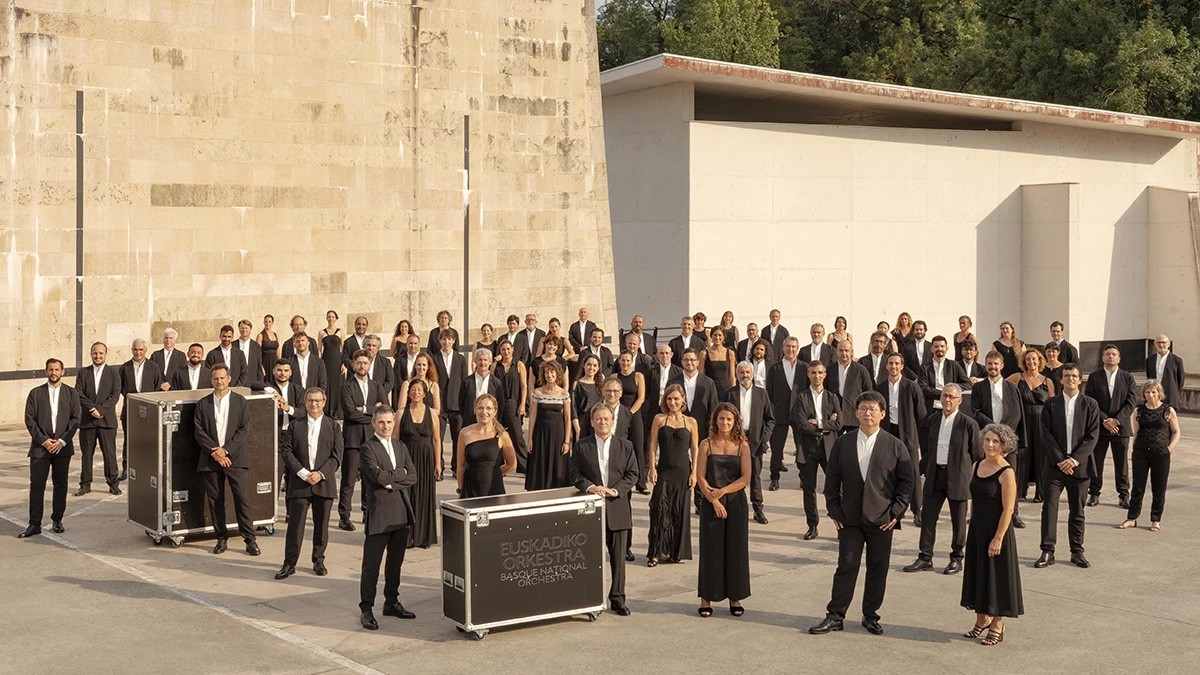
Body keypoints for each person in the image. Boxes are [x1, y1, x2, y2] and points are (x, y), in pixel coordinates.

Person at [809, 391, 913, 637]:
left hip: (882, 519)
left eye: (873, 409)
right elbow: (832, 479)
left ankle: (870, 615)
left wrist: (895, 513)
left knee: (878, 568)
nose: (868, 413)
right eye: (863, 409)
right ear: (855, 413)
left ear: (882, 414)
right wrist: (834, 510)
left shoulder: (895, 445)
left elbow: (906, 483)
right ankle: (835, 616)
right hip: (850, 518)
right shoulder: (843, 442)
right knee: (846, 565)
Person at [905, 384, 981, 575]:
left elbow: (977, 454)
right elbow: (927, 448)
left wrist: (970, 476)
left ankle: (956, 558)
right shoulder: (932, 420)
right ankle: (925, 557)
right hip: (935, 475)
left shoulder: (968, 424)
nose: (947, 400)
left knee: (958, 521)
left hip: (958, 477)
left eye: (951, 397)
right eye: (944, 396)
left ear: (959, 401)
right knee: (928, 518)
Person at [570, 403, 638, 616]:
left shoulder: (625, 446)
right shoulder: (581, 446)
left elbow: (632, 474)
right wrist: (591, 487)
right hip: (591, 512)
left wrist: (615, 491)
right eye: (598, 418)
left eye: (606, 418)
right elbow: (574, 473)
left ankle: (617, 599)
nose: (602, 422)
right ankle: (592, 599)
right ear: (592, 422)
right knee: (591, 559)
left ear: (613, 421)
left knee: (618, 559)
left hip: (617, 509)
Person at [961, 424, 1024, 646]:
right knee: (978, 574)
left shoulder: (1007, 472)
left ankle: (997, 624)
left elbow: (1008, 509)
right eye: (987, 440)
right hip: (978, 529)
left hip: (998, 531)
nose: (989, 445)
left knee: (997, 578)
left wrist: (998, 538)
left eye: (995, 441)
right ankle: (982, 619)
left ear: (1004, 445)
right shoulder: (976, 465)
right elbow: (974, 498)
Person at [358, 406, 418, 630]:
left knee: (395, 563)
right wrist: (398, 475)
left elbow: (413, 475)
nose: (385, 426)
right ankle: (366, 609)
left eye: (389, 422)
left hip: (400, 512)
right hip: (380, 514)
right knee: (371, 565)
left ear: (394, 423)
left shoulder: (400, 446)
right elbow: (378, 477)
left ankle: (391, 602)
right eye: (381, 422)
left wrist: (391, 481)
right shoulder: (368, 448)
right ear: (373, 423)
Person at [1036, 364, 1100, 569]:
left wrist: (1073, 460)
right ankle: (1047, 551)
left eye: (1074, 375)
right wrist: (1060, 460)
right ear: (1061, 380)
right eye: (1066, 375)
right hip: (1055, 467)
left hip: (1080, 467)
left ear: (1080, 380)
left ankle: (1077, 551)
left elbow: (1093, 436)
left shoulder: (1090, 404)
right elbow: (1046, 433)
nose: (1070, 378)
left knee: (1077, 510)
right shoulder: (1051, 404)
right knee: (1049, 508)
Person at [277, 388, 342, 579]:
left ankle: (318, 560)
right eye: (310, 400)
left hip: (323, 483)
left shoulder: (333, 426)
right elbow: (287, 451)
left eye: (317, 401)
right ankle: (289, 563)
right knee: (295, 526)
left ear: (324, 402)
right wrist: (304, 473)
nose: (314, 404)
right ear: (305, 403)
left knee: (321, 526)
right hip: (300, 483)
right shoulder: (295, 425)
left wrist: (320, 474)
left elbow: (337, 456)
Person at [696, 403, 753, 617]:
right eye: (721, 418)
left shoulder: (742, 445)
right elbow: (700, 476)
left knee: (736, 550)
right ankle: (706, 598)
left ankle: (735, 598)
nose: (725, 422)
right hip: (711, 502)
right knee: (710, 550)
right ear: (715, 420)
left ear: (735, 421)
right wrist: (714, 499)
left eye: (729, 419)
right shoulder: (706, 444)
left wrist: (723, 491)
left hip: (736, 502)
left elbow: (746, 478)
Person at [194, 364, 257, 556]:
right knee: (215, 500)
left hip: (235, 459)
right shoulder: (203, 403)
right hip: (211, 459)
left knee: (242, 499)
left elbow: (243, 430)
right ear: (211, 380)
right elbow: (199, 431)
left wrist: (226, 450)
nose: (219, 381)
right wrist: (215, 452)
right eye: (215, 378)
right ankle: (221, 538)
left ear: (229, 379)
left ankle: (250, 540)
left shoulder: (240, 401)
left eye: (222, 378)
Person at [19, 358, 81, 538]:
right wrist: (44, 440)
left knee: (60, 484)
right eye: (50, 370)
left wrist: (62, 441)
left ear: (63, 371)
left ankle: (57, 520)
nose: (53, 373)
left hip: (62, 448)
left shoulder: (71, 393)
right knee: (37, 486)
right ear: (46, 371)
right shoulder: (35, 393)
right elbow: (29, 419)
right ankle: (34, 524)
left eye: (56, 369)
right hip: (40, 448)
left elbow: (75, 419)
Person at [971, 351, 1025, 527]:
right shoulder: (978, 388)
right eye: (989, 363)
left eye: (996, 364)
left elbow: (1016, 413)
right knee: (983, 477)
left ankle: (1013, 513)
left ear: (1002, 365)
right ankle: (978, 512)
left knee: (1010, 476)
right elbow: (976, 411)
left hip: (1007, 440)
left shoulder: (1011, 388)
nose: (992, 367)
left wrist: (1002, 434)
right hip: (987, 439)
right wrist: (993, 430)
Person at [645, 384, 698, 566]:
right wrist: (652, 468)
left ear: (683, 400)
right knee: (659, 510)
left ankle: (675, 552)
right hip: (664, 471)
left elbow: (695, 449)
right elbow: (652, 445)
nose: (672, 402)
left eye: (676, 399)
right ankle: (655, 553)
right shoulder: (659, 419)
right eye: (669, 399)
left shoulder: (691, 422)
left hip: (683, 472)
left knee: (679, 511)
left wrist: (694, 472)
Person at [1119, 380, 1180, 532]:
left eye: (1154, 392)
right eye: (1147, 392)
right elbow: (1136, 432)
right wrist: (1134, 450)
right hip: (1141, 452)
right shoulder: (1139, 411)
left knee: (1159, 487)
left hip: (1161, 453)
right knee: (1138, 486)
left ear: (1159, 393)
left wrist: (1170, 448)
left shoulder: (1168, 410)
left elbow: (1176, 432)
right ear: (1143, 394)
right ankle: (1132, 518)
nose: (1151, 395)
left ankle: (1155, 520)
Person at [792, 360, 843, 540]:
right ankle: (812, 525)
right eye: (813, 372)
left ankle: (841, 525)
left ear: (825, 375)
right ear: (808, 374)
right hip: (808, 449)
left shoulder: (832, 397)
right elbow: (802, 424)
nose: (817, 376)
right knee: (809, 489)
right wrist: (826, 425)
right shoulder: (801, 398)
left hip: (829, 448)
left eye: (820, 372)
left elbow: (839, 423)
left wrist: (818, 423)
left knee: (835, 489)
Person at [720, 362, 774, 525]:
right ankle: (733, 508)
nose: (745, 375)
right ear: (737, 375)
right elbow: (721, 417)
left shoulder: (761, 393)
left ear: (753, 374)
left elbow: (770, 419)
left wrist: (764, 438)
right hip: (735, 440)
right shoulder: (729, 394)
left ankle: (758, 509)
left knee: (755, 476)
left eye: (748, 372)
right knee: (733, 475)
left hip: (755, 440)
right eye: (742, 372)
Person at [875, 353, 926, 525]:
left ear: (902, 366)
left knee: (913, 472)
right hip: (888, 433)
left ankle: (917, 510)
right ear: (886, 366)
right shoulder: (880, 388)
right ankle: (894, 510)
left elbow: (921, 416)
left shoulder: (912, 387)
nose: (894, 366)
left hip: (908, 435)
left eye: (897, 363)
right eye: (891, 363)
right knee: (888, 473)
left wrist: (919, 441)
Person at [338, 351, 386, 532]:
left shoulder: (376, 385)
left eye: (365, 363)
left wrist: (364, 409)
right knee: (349, 480)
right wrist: (373, 414)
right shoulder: (346, 387)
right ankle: (344, 516)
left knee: (369, 479)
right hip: (353, 440)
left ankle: (367, 512)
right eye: (359, 363)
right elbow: (350, 413)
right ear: (353, 365)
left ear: (369, 365)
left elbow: (385, 408)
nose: (362, 366)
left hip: (372, 440)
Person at [1084, 344, 1137, 508]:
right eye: (1107, 354)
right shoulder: (1094, 377)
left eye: (1114, 354)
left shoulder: (1127, 377)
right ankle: (1094, 493)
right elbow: (1090, 400)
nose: (1111, 356)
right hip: (1100, 427)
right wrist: (1105, 420)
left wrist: (1117, 420)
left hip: (1121, 428)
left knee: (1122, 463)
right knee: (1097, 461)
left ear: (1119, 358)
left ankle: (1124, 495)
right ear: (1102, 358)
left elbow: (1131, 401)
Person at [75, 342, 121, 496]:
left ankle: (113, 484)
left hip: (107, 421)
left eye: (101, 353)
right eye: (95, 353)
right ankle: (85, 484)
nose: (98, 356)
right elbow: (78, 393)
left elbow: (115, 395)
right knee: (86, 454)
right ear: (91, 354)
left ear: (105, 354)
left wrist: (100, 410)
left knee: (110, 454)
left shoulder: (113, 373)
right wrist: (92, 409)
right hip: (87, 421)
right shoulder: (83, 372)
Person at [399, 379, 442, 546]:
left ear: (425, 394)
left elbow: (436, 440)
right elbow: (395, 439)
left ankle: (424, 537)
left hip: (426, 459)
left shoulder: (432, 413)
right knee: (406, 496)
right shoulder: (401, 413)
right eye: (413, 389)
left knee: (424, 495)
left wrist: (438, 463)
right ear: (409, 392)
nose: (416, 392)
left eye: (419, 390)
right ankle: (406, 536)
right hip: (407, 459)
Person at [1008, 348, 1054, 503]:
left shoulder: (1047, 381)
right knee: (1023, 454)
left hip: (1042, 422)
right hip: (1023, 421)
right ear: (1024, 362)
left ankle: (1041, 493)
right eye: (1028, 359)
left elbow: (1053, 404)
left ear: (1039, 361)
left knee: (1041, 456)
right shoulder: (1017, 377)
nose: (1031, 362)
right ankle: (1020, 491)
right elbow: (999, 385)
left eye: (1034, 359)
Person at [457, 394, 517, 498]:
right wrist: (460, 489)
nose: (484, 412)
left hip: (493, 488)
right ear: (475, 410)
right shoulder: (464, 433)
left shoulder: (502, 435)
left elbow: (512, 464)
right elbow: (461, 466)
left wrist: (494, 473)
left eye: (488, 408)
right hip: (470, 488)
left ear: (495, 411)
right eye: (480, 408)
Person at [120, 338, 163, 480]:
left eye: (140, 350)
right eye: (135, 349)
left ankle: (148, 467)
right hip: (130, 409)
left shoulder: (154, 367)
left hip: (149, 410)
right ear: (131, 350)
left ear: (145, 350)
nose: (138, 352)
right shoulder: (125, 367)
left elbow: (157, 386)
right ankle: (126, 468)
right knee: (129, 439)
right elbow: (121, 387)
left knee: (149, 439)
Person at [525, 361, 572, 490]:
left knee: (557, 463)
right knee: (540, 462)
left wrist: (567, 441)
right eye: (546, 372)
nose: (549, 375)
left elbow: (567, 419)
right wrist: (530, 439)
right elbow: (532, 417)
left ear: (558, 374)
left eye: (552, 372)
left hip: (558, 434)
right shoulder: (537, 392)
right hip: (540, 433)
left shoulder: (564, 394)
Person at [765, 336, 803, 491]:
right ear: (783, 348)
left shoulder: (804, 367)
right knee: (776, 448)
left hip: (799, 414)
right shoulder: (775, 368)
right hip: (779, 414)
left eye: (793, 347)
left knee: (801, 448)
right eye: (788, 346)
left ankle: (803, 477)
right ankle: (774, 478)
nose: (790, 349)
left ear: (797, 349)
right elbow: (769, 392)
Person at [614, 351, 647, 492]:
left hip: (634, 415)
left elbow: (641, 398)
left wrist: (629, 413)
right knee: (619, 447)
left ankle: (641, 483)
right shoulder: (615, 377)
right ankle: (618, 480)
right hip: (618, 415)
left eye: (628, 360)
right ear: (619, 361)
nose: (625, 363)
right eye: (623, 360)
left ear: (632, 361)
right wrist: (620, 413)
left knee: (638, 447)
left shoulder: (638, 376)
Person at [433, 330, 467, 471]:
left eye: (449, 339)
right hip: (439, 405)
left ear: (453, 341)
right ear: (439, 341)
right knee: (438, 438)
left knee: (457, 438)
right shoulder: (434, 358)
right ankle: (439, 467)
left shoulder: (461, 359)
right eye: (443, 339)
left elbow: (464, 383)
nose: (446, 342)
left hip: (456, 405)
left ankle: (456, 467)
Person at [492, 340, 528, 472]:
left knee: (517, 435)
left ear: (512, 349)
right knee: (497, 434)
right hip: (497, 404)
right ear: (500, 351)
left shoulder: (519, 365)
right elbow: (491, 384)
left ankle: (524, 465)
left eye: (508, 349)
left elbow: (524, 386)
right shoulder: (495, 366)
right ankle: (499, 466)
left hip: (513, 403)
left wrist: (522, 404)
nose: (506, 352)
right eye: (503, 349)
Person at [828, 340, 875, 435]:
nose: (844, 353)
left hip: (854, 417)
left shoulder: (861, 370)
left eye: (846, 350)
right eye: (841, 350)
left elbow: (868, 393)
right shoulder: (829, 370)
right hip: (834, 416)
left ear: (852, 352)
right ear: (836, 351)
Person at [920, 336, 972, 412]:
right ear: (931, 349)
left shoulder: (954, 365)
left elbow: (968, 384)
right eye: (936, 346)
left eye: (942, 346)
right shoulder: (924, 367)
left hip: (950, 407)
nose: (939, 349)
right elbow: (923, 387)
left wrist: (952, 389)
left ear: (947, 348)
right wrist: (944, 393)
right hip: (931, 408)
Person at [459, 347, 504, 432]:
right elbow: (461, 404)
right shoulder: (467, 382)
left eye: (485, 360)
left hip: (490, 424)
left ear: (490, 362)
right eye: (480, 360)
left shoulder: (496, 383)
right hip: (470, 424)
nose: (483, 363)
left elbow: (500, 405)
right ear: (475, 361)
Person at [680, 349, 718, 444]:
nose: (689, 362)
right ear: (682, 362)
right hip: (679, 431)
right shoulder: (673, 382)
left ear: (698, 362)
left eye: (692, 360)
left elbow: (713, 408)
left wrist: (712, 431)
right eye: (686, 360)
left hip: (702, 432)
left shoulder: (708, 383)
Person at [572, 354, 605, 440]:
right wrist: (577, 429)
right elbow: (573, 408)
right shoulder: (577, 384)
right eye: (589, 364)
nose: (591, 368)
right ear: (584, 366)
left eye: (595, 365)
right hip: (582, 423)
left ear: (598, 368)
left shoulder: (601, 385)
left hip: (598, 421)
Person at [1146, 335, 1185, 408]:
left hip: (1170, 397)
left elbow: (1181, 380)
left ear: (1169, 344)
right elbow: (1149, 377)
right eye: (1158, 342)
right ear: (1155, 344)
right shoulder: (1149, 360)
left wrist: (1174, 392)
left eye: (1163, 342)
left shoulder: (1177, 360)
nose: (1161, 345)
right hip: (1154, 397)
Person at [319, 311, 345, 419]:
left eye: (333, 317)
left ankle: (336, 411)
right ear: (326, 318)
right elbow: (319, 350)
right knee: (326, 383)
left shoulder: (340, 332)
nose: (331, 319)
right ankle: (326, 410)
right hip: (325, 361)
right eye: (329, 317)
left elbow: (343, 349)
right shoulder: (321, 332)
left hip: (337, 361)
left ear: (336, 318)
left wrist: (344, 364)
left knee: (337, 384)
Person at [267, 361, 304, 431]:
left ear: (290, 372)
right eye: (279, 370)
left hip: (293, 431)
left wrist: (288, 409)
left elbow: (303, 412)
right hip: (273, 431)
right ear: (273, 371)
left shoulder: (298, 390)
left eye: (286, 370)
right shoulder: (269, 386)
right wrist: (273, 391)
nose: (283, 373)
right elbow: (255, 384)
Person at [392, 334, 423, 407]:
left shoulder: (423, 358)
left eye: (415, 343)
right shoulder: (399, 359)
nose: (413, 346)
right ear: (407, 344)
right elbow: (397, 377)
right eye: (410, 343)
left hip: (420, 394)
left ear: (419, 345)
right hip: (404, 394)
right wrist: (407, 390)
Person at [363, 335, 394, 405]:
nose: (371, 348)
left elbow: (390, 382)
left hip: (380, 401)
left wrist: (378, 395)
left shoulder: (386, 362)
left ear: (378, 348)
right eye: (368, 345)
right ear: (364, 346)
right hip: (361, 401)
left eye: (374, 346)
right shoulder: (357, 362)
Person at [235, 319, 264, 385]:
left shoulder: (256, 346)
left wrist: (260, 383)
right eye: (242, 328)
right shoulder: (233, 345)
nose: (244, 330)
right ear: (239, 329)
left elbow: (259, 367)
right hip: (236, 381)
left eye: (246, 328)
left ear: (250, 329)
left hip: (251, 381)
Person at [258, 316, 280, 380]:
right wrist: (261, 367)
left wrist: (279, 364)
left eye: (269, 322)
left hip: (274, 362)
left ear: (272, 323)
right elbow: (258, 352)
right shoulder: (260, 335)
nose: (267, 323)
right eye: (266, 322)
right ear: (263, 322)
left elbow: (278, 351)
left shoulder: (276, 335)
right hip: (265, 363)